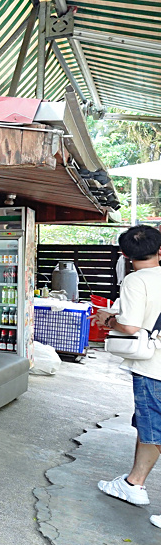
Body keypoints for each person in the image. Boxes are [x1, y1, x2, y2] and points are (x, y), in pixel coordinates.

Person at [94, 224, 161, 529]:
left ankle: (134, 484)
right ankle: (134, 484)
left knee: (155, 430)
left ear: (124, 254)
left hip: (153, 368)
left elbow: (131, 326)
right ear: (159, 250)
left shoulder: (136, 281)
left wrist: (108, 320)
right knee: (148, 428)